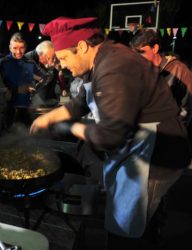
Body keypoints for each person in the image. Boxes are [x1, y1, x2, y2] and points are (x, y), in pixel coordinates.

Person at [30, 17, 191, 249]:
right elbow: (80, 102)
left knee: (129, 232)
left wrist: (70, 127)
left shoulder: (114, 66)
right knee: (141, 221)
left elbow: (110, 135)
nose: (62, 65)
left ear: (83, 46)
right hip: (139, 148)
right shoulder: (101, 59)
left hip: (154, 156)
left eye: (64, 57)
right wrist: (49, 117)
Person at [129, 29, 192, 126]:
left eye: (141, 52)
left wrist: (173, 129)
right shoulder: (137, 70)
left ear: (155, 48)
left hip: (170, 133)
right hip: (146, 131)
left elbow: (187, 108)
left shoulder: (179, 69)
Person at [0, 32, 36, 128]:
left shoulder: (30, 63)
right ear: (10, 47)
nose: (18, 52)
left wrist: (35, 87)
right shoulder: (2, 63)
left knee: (27, 140)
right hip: (7, 110)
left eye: (21, 48)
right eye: (15, 48)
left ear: (26, 47)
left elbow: (46, 77)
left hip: (27, 109)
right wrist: (15, 90)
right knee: (8, 140)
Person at [25, 40, 62, 107]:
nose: (54, 60)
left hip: (49, 100)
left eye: (55, 57)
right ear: (41, 55)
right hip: (33, 102)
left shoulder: (50, 61)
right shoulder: (27, 60)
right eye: (52, 57)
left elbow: (54, 78)